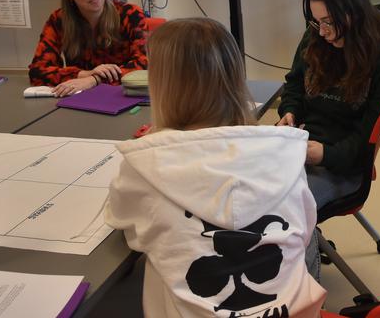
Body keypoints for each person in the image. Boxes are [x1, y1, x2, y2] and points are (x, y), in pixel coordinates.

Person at [105, 18, 326, 318]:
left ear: (163, 87)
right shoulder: (286, 153)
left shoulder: (144, 164)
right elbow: (304, 226)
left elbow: (121, 219)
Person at [277, 0, 380, 208]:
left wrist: (323, 155)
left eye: (328, 22)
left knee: (280, 209)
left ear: (354, 14)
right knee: (243, 190)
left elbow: (364, 146)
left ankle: (303, 243)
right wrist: (289, 112)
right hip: (299, 148)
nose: (321, 31)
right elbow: (295, 84)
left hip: (343, 166)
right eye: (316, 22)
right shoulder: (316, 38)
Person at [28, 0, 147, 96]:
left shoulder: (130, 14)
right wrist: (84, 74)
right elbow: (37, 71)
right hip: (81, 98)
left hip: (124, 97)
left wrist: (95, 79)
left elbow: (144, 65)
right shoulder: (59, 20)